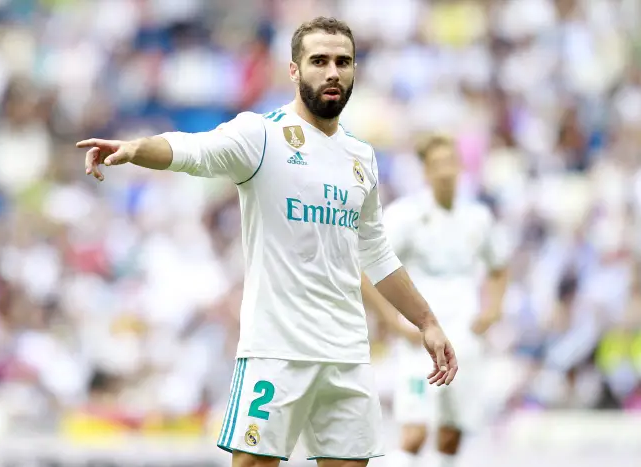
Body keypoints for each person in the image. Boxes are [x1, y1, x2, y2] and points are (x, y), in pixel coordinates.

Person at [76, 17, 458, 467]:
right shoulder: (261, 135)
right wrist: (137, 148)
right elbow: (195, 151)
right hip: (277, 349)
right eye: (319, 61)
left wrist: (427, 322)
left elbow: (375, 252)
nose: (332, 71)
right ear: (294, 71)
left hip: (347, 353)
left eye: (343, 61)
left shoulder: (362, 158)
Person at [378, 134, 509, 467]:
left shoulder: (478, 217)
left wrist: (492, 310)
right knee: (414, 433)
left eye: (450, 162)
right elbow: (370, 267)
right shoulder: (405, 215)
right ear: (424, 171)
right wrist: (393, 321)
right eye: (437, 165)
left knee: (452, 435)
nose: (446, 171)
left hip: (465, 334)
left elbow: (498, 267)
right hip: (420, 335)